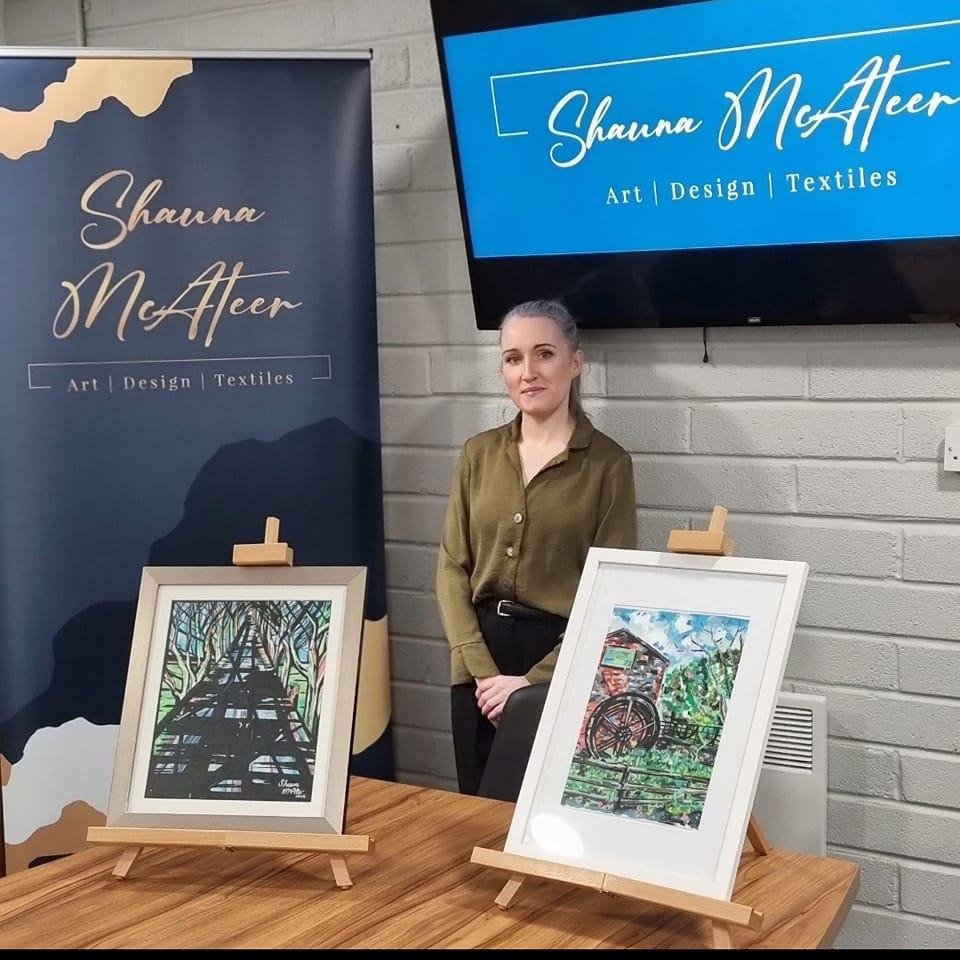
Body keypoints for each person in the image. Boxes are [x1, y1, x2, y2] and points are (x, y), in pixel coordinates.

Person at [436, 299, 638, 795]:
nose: (528, 371)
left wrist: (530, 682)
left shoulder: (609, 465)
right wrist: (484, 673)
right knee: (477, 812)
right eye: (513, 358)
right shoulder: (478, 454)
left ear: (575, 362)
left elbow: (613, 595)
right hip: (478, 663)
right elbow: (451, 567)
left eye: (544, 354)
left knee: (545, 814)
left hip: (559, 658)